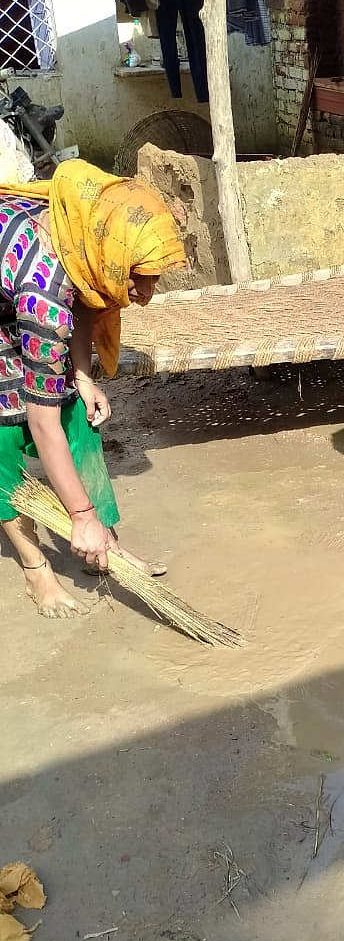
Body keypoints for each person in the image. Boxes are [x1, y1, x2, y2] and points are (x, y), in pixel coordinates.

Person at [0, 160, 186, 617]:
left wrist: (82, 378)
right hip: (16, 305)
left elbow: (83, 299)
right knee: (6, 438)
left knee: (79, 422)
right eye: (136, 279)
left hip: (19, 299)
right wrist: (78, 517)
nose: (145, 294)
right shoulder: (41, 300)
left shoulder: (79, 236)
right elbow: (42, 424)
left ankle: (105, 540)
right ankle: (35, 567)